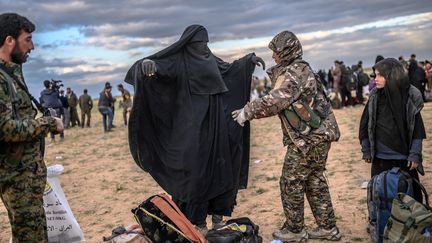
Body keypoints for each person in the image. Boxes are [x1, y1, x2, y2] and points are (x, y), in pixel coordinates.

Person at [125, 24, 265, 233]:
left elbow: (229, 69)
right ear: (189, 43)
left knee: (221, 169)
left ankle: (218, 217)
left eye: (206, 44)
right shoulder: (179, 61)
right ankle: (197, 222)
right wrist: (146, 65)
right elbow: (157, 67)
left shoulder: (210, 59)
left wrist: (248, 61)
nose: (204, 48)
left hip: (216, 129)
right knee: (195, 175)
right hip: (191, 131)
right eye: (200, 43)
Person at [232, 30, 341, 242]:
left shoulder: (296, 72)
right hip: (319, 137)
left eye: (276, 51)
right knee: (314, 182)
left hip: (310, 140)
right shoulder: (297, 69)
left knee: (290, 182)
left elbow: (276, 100)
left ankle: (295, 230)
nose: (273, 56)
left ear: (287, 50)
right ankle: (328, 228)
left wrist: (248, 111)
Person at [0, 13, 63, 242]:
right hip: (17, 180)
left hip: (26, 177)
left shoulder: (10, 74)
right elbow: (4, 128)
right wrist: (48, 123)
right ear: (9, 40)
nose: (32, 46)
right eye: (27, 39)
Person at [359, 58, 426, 204]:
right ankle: (381, 224)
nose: (375, 79)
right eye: (374, 75)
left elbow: (417, 130)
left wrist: (414, 154)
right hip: (380, 159)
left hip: (404, 159)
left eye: (379, 75)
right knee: (380, 196)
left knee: (409, 198)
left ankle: (411, 225)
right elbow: (365, 125)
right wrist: (366, 149)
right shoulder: (375, 97)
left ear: (391, 75)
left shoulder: (408, 98)